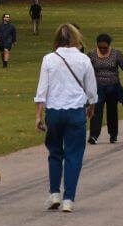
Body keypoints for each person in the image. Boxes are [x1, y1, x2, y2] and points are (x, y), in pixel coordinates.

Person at [35, 23, 97, 212]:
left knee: (55, 152)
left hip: (54, 111)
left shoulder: (49, 59)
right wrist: (91, 107)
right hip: (75, 110)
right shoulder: (84, 59)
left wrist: (38, 115)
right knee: (73, 155)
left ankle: (54, 193)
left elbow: (42, 90)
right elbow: (91, 90)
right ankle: (68, 198)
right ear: (76, 38)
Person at [88, 34, 123, 144]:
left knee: (112, 111)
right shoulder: (91, 54)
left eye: (105, 47)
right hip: (98, 87)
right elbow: (85, 71)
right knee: (96, 111)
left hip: (113, 87)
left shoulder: (116, 54)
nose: (102, 49)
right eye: (100, 47)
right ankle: (93, 135)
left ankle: (113, 134)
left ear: (109, 45)